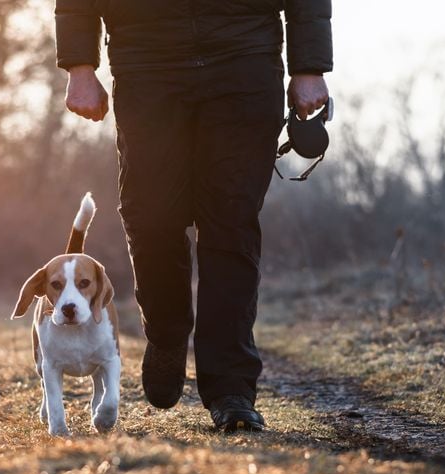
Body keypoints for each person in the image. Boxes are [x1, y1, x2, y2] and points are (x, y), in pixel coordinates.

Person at [56, 1, 332, 432]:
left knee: (231, 224)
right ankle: (166, 331)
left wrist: (309, 65)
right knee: (150, 217)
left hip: (244, 56)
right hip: (147, 60)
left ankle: (231, 389)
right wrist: (78, 64)